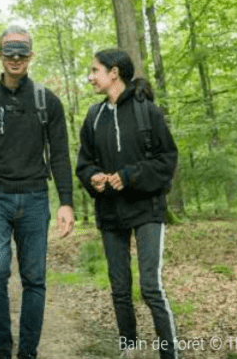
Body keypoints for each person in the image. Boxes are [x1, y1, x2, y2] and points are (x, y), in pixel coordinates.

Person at [0, 25, 76, 359]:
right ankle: (1, 351)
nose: (16, 59)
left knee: (34, 279)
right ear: (0, 56)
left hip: (35, 201)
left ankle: (28, 353)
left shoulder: (47, 102)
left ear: (30, 56)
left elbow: (61, 156)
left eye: (22, 54)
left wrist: (66, 202)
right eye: (9, 53)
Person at [76, 49, 179, 359]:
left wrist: (130, 176)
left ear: (115, 72)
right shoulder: (93, 117)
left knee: (150, 286)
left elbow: (167, 160)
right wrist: (93, 176)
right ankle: (129, 349)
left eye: (95, 70)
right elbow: (84, 163)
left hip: (147, 208)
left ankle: (169, 353)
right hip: (109, 212)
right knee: (119, 288)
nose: (90, 77)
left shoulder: (148, 112)